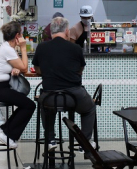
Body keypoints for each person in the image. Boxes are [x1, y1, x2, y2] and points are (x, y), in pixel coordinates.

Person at [33, 17, 96, 149]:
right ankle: (84, 142)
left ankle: (50, 140)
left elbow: (38, 70)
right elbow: (80, 69)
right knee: (89, 108)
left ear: (51, 31)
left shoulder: (42, 47)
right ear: (67, 31)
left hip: (50, 97)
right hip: (74, 97)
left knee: (44, 105)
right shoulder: (76, 48)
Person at [0, 21, 35, 148]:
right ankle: (7, 135)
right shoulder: (8, 49)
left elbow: (17, 66)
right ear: (18, 36)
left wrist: (14, 69)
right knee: (29, 105)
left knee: (25, 104)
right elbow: (24, 68)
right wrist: (23, 47)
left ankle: (4, 130)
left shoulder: (7, 47)